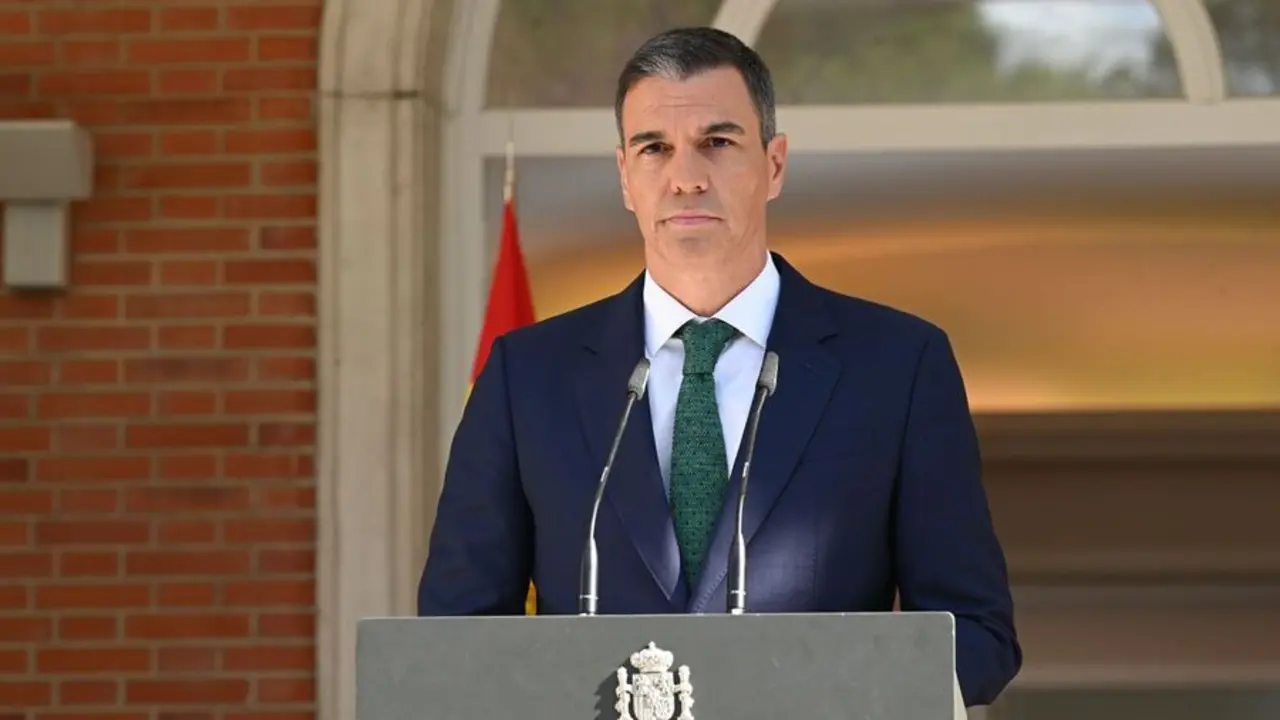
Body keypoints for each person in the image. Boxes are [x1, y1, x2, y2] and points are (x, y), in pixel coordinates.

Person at [418, 26, 1021, 707]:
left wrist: (823, 693)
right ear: (625, 176)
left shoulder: (898, 366)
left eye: (718, 142)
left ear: (775, 164)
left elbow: (977, 636)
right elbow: (453, 638)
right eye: (655, 148)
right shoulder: (525, 378)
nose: (686, 177)